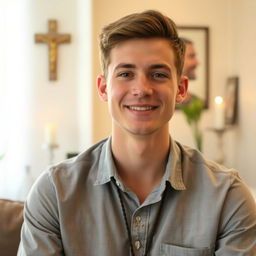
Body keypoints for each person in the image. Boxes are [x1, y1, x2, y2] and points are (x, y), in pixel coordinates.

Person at [18, 10, 256, 255]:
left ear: (181, 90)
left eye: (158, 74)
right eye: (125, 74)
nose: (142, 89)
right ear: (103, 88)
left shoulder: (228, 196)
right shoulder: (53, 193)